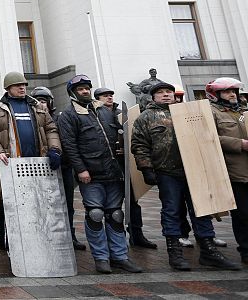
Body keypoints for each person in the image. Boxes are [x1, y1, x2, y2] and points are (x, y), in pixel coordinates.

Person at [132, 82, 240, 271]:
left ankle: (208, 251)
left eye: (169, 92)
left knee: (202, 209)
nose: (166, 95)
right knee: (171, 211)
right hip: (167, 172)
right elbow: (139, 145)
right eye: (160, 93)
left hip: (195, 169)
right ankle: (175, 253)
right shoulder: (145, 117)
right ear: (153, 97)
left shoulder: (189, 112)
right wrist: (146, 169)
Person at [58, 75, 142, 274]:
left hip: (114, 172)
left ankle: (120, 256)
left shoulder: (105, 111)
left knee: (115, 214)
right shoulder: (69, 115)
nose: (85, 91)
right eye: (80, 89)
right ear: (73, 93)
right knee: (95, 215)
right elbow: (69, 145)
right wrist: (80, 170)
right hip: (91, 174)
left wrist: (122, 148)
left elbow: (120, 134)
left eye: (87, 88)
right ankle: (101, 258)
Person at [0, 73, 62, 255]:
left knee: (37, 205)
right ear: (8, 88)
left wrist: (55, 149)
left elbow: (51, 129)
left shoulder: (38, 107)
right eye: (17, 85)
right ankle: (10, 243)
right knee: (10, 207)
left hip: (37, 166)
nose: (22, 88)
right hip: (11, 166)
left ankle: (37, 241)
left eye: (24, 85)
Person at [93, 87, 157, 250]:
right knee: (109, 205)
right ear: (97, 98)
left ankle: (137, 234)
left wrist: (125, 147)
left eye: (110, 95)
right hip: (106, 165)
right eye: (105, 95)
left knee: (133, 201)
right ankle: (115, 237)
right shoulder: (95, 114)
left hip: (126, 163)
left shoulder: (122, 113)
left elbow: (134, 134)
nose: (109, 97)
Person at [31, 86, 86, 251]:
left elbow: (69, 142)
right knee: (44, 205)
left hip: (63, 167)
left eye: (44, 101)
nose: (42, 104)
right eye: (38, 101)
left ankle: (70, 235)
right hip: (41, 170)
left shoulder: (62, 118)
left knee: (67, 204)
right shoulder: (32, 119)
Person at [207, 78, 248, 265]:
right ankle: (246, 251)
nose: (232, 94)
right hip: (235, 171)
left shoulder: (244, 111)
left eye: (234, 91)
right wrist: (240, 144)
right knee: (243, 214)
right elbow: (210, 137)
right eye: (227, 91)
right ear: (216, 95)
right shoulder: (213, 112)